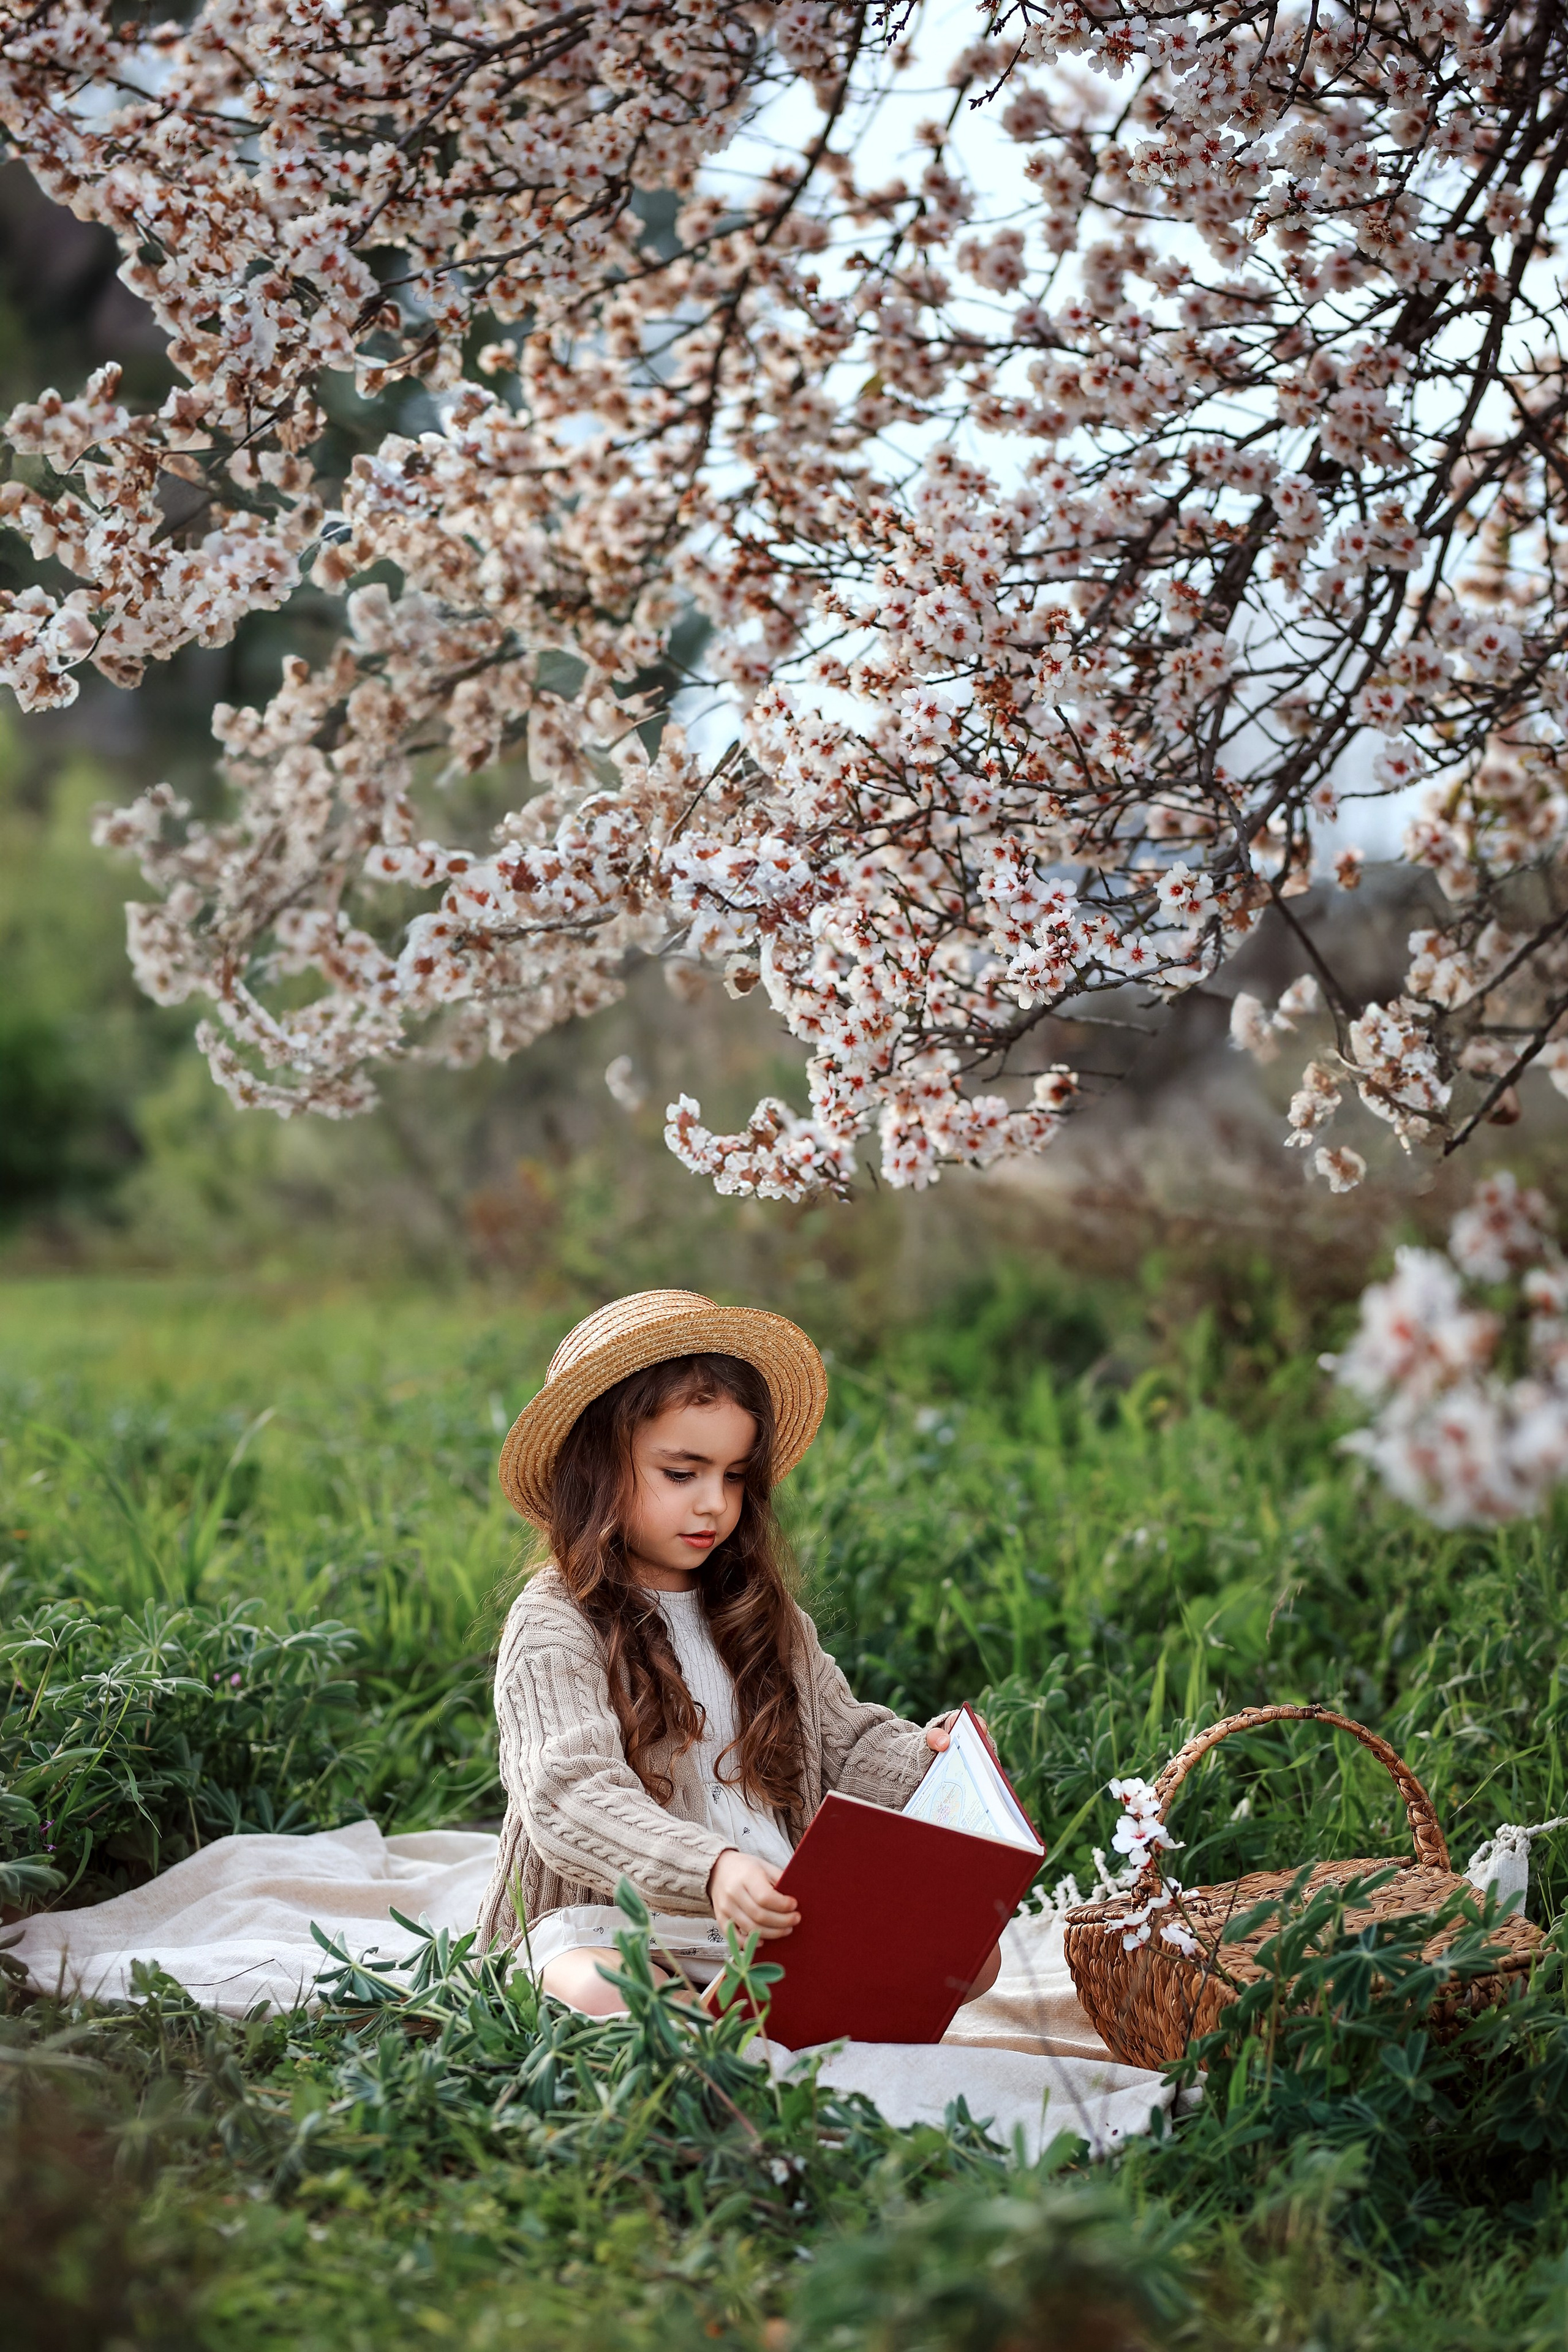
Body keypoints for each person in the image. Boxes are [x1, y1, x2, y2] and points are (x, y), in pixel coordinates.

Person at [475, 1289, 1004, 2018]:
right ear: (594, 1469)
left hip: (760, 1918)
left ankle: (758, 2007)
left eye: (733, 1476)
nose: (713, 1505)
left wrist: (932, 1763)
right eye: (682, 1473)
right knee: (604, 1983)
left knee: (976, 1956)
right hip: (612, 1924)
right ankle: (713, 2016)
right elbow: (570, 1793)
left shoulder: (758, 1610)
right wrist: (711, 1868)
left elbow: (842, 1743)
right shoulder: (556, 1620)